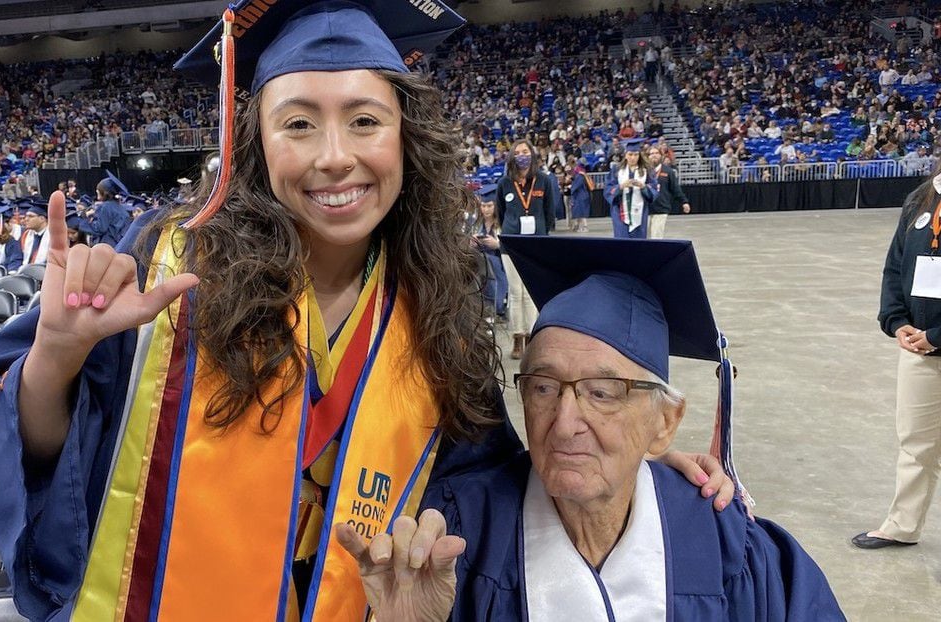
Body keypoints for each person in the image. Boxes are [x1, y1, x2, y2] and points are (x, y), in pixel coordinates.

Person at [0, 3, 732, 621]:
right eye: (297, 123)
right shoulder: (165, 262)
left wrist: (614, 453)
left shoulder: (436, 302)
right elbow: (40, 454)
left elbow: (484, 483)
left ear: (406, 139)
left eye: (365, 119)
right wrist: (57, 353)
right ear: (254, 141)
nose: (333, 156)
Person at [374, 236, 845, 620]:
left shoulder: (725, 544)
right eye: (542, 387)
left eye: (603, 392)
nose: (564, 423)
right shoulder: (457, 537)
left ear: (665, 424)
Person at [853, 162, 941, 549]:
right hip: (919, 349)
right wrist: (895, 319)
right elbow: (894, 267)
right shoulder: (920, 200)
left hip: (933, 338)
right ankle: (902, 526)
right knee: (915, 441)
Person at [495, 140, 559, 359]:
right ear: (512, 157)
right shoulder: (504, 183)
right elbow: (501, 212)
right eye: (517, 152)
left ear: (532, 154)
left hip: (536, 243)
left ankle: (533, 336)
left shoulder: (543, 180)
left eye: (525, 152)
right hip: (511, 244)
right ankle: (517, 337)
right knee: (515, 292)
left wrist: (542, 233)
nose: (521, 155)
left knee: (531, 292)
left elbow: (550, 210)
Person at [605, 140, 658, 239]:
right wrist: (620, 187)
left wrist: (643, 187)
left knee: (638, 242)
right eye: (630, 154)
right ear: (625, 155)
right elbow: (608, 188)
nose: (633, 158)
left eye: (636, 155)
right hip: (620, 212)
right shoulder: (617, 170)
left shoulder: (647, 170)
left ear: (639, 155)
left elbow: (654, 188)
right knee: (622, 241)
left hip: (640, 211)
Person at [471, 184, 507, 322]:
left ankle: (497, 305)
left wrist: (497, 245)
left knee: (492, 263)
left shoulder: (503, 223)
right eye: (484, 206)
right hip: (479, 261)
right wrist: (472, 243)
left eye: (490, 206)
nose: (486, 209)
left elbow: (509, 247)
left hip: (499, 262)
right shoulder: (475, 223)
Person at [647, 142, 691, 239]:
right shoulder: (644, 171)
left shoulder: (668, 171)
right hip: (645, 209)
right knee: (643, 238)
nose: (654, 155)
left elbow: (675, 188)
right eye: (651, 153)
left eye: (656, 153)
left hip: (661, 209)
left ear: (661, 155)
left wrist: (684, 202)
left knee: (656, 237)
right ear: (648, 156)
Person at [82, 173, 131, 246]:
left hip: (107, 244)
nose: (97, 191)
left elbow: (100, 228)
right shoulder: (120, 207)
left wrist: (85, 218)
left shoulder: (106, 206)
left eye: (98, 190)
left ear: (104, 193)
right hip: (119, 243)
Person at [18, 199, 51, 266]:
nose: (26, 219)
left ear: (42, 219)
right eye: (26, 216)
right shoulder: (26, 235)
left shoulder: (52, 236)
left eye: (30, 216)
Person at [567, 161, 592, 233]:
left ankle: (584, 227)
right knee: (579, 213)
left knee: (581, 213)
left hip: (580, 196)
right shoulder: (582, 175)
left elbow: (575, 186)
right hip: (581, 196)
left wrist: (571, 187)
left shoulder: (580, 176)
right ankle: (578, 226)